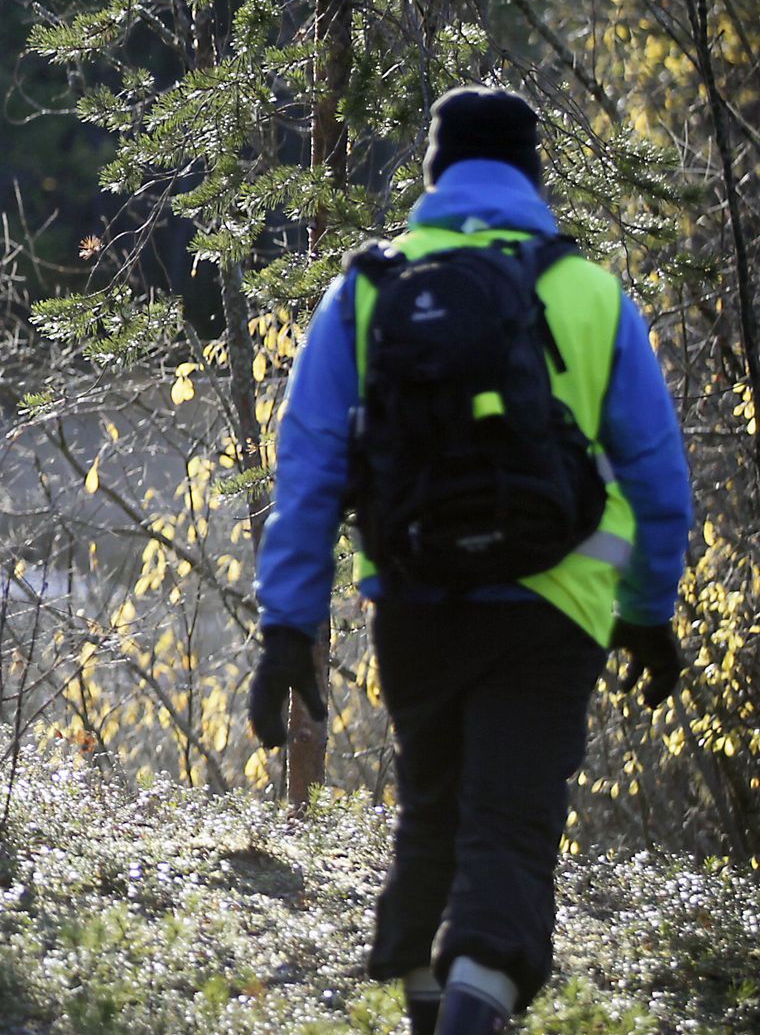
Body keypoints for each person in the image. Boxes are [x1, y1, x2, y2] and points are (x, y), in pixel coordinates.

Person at [249, 87, 693, 1035]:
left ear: (433, 175)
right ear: (534, 174)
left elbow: (310, 469)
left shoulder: (366, 290)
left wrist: (288, 628)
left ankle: (431, 1004)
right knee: (510, 829)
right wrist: (649, 612)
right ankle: (472, 1008)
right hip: (556, 606)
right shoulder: (588, 292)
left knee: (434, 812)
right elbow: (657, 477)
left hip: (418, 599)